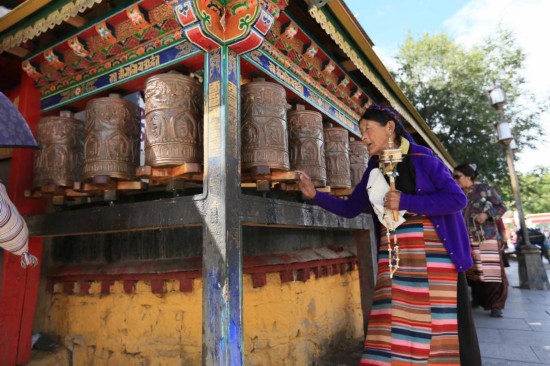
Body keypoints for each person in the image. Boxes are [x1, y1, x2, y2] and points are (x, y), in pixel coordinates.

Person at [297, 105, 480, 365]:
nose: (364, 137)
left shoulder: (424, 159)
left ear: (390, 127)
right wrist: (315, 195)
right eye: (361, 132)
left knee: (437, 322)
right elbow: (350, 208)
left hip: (433, 256)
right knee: (392, 320)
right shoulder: (374, 169)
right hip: (394, 256)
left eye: (367, 130)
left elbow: (456, 199)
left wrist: (407, 201)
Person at [453, 163, 508, 318]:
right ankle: (478, 299)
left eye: (457, 176)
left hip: (486, 237)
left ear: (469, 176)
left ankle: (496, 305)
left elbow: (501, 207)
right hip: (465, 237)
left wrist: (486, 215)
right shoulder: (456, 192)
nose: (454, 179)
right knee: (472, 272)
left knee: (492, 272)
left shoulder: (485, 189)